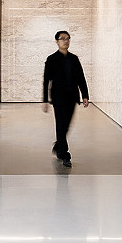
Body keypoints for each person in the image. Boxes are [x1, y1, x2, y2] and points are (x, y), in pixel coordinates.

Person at [41, 30, 89, 168]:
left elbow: (81, 77)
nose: (66, 41)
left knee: (66, 125)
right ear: (57, 42)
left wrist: (85, 95)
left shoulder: (74, 59)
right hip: (58, 98)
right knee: (61, 125)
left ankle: (58, 145)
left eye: (68, 38)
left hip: (72, 97)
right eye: (62, 39)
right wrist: (45, 100)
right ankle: (64, 155)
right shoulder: (51, 59)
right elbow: (46, 81)